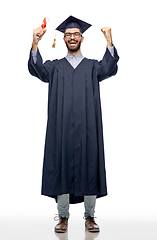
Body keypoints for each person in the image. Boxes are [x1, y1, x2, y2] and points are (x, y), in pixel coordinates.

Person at [28, 15, 119, 233]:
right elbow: (37, 69)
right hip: (61, 130)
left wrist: (109, 41)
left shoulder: (92, 67)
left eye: (75, 34)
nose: (71, 37)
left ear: (82, 38)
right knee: (61, 167)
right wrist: (35, 44)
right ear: (63, 39)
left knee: (89, 165)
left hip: (88, 129)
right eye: (68, 35)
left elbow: (109, 68)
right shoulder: (55, 67)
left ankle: (90, 217)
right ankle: (63, 217)